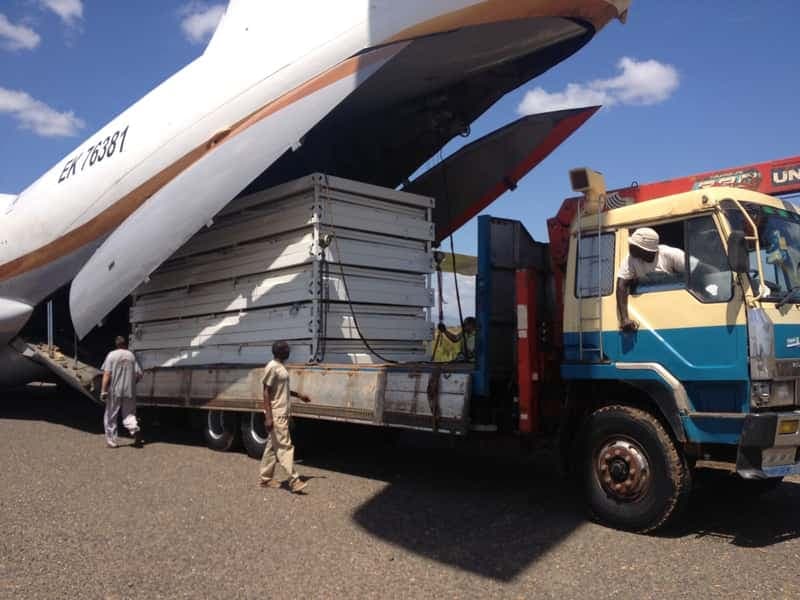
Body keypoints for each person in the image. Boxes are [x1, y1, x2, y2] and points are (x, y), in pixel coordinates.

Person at [259, 340, 312, 493]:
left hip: (283, 413)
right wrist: (268, 417)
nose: (289, 350)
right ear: (279, 351)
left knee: (271, 448)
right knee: (285, 447)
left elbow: (281, 390)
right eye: (286, 348)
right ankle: (294, 481)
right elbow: (266, 391)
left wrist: (299, 395)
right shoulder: (272, 367)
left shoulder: (280, 367)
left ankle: (265, 479)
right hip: (277, 414)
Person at [616, 228, 685, 331]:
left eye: (633, 246)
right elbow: (622, 285)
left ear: (646, 250)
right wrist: (624, 319)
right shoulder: (630, 259)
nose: (630, 247)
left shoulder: (671, 254)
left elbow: (698, 270)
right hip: (648, 309)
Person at [100, 336, 143, 448]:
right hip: (129, 390)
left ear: (116, 344)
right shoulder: (131, 356)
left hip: (115, 390)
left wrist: (103, 391)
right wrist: (133, 383)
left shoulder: (111, 355)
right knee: (129, 414)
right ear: (125, 344)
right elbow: (139, 374)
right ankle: (134, 429)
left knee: (111, 415)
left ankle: (112, 441)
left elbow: (107, 374)